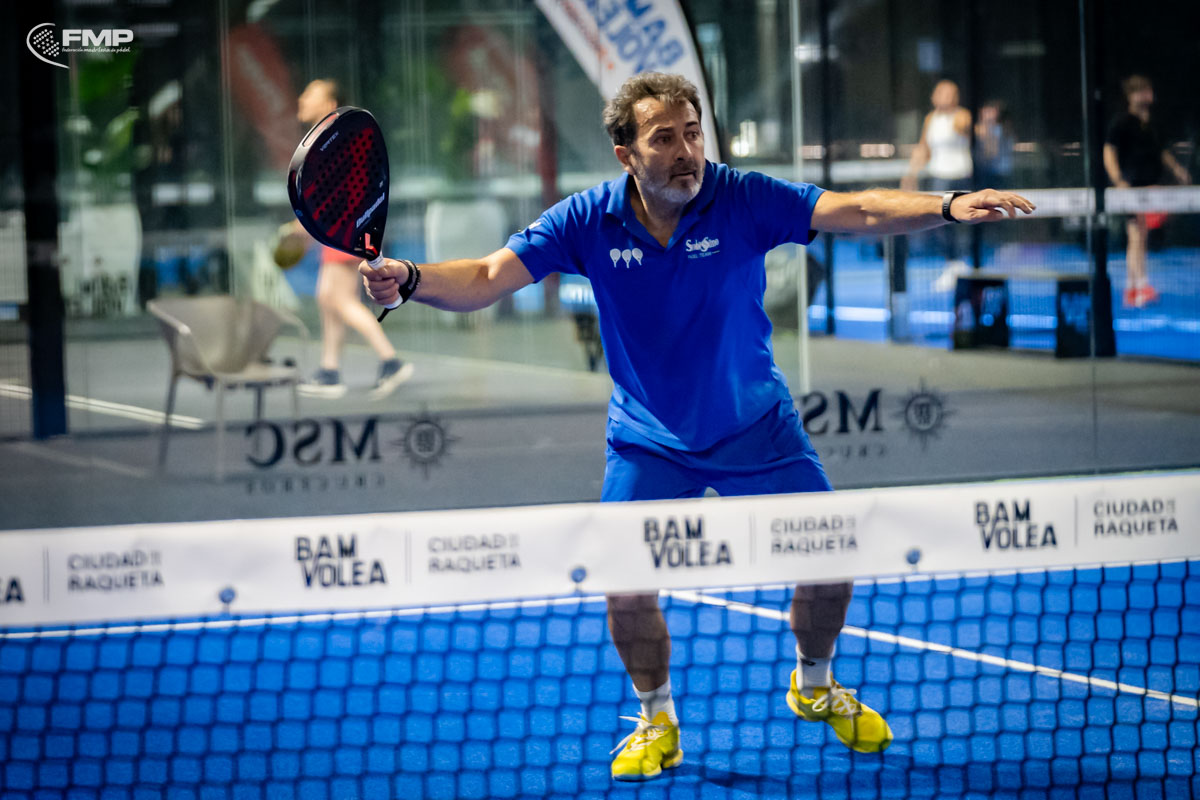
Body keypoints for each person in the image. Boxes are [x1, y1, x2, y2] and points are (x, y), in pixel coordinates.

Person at [359, 72, 1034, 780]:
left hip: (757, 426)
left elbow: (857, 210)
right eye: (664, 139)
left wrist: (948, 205)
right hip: (648, 440)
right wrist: (410, 278)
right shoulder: (585, 220)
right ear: (626, 154)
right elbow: (487, 276)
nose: (686, 151)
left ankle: (814, 684)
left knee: (832, 558)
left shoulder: (742, 198)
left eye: (692, 133)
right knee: (625, 584)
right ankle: (657, 720)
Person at [293, 79, 413, 399]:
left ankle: (390, 361)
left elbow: (334, 192)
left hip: (345, 230)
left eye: (311, 93)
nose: (302, 98)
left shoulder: (334, 140)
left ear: (330, 104)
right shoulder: (326, 139)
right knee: (327, 297)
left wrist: (306, 225)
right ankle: (330, 371)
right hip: (343, 229)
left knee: (340, 301)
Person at [1103, 74, 1191, 309]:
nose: (1146, 95)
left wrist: (1177, 170)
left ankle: (1134, 288)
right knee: (1136, 236)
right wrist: (1118, 180)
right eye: (1141, 91)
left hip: (1152, 188)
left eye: (1148, 90)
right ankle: (1139, 287)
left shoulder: (1152, 124)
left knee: (1140, 236)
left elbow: (1161, 151)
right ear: (1131, 95)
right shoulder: (1121, 122)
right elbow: (1109, 152)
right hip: (1131, 189)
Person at [902, 79, 974, 292]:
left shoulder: (962, 116)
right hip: (938, 177)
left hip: (960, 176)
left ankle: (963, 267)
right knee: (942, 225)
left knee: (962, 223)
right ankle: (952, 266)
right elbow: (923, 148)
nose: (945, 97)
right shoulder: (930, 119)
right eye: (941, 93)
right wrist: (911, 174)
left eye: (950, 93)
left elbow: (969, 132)